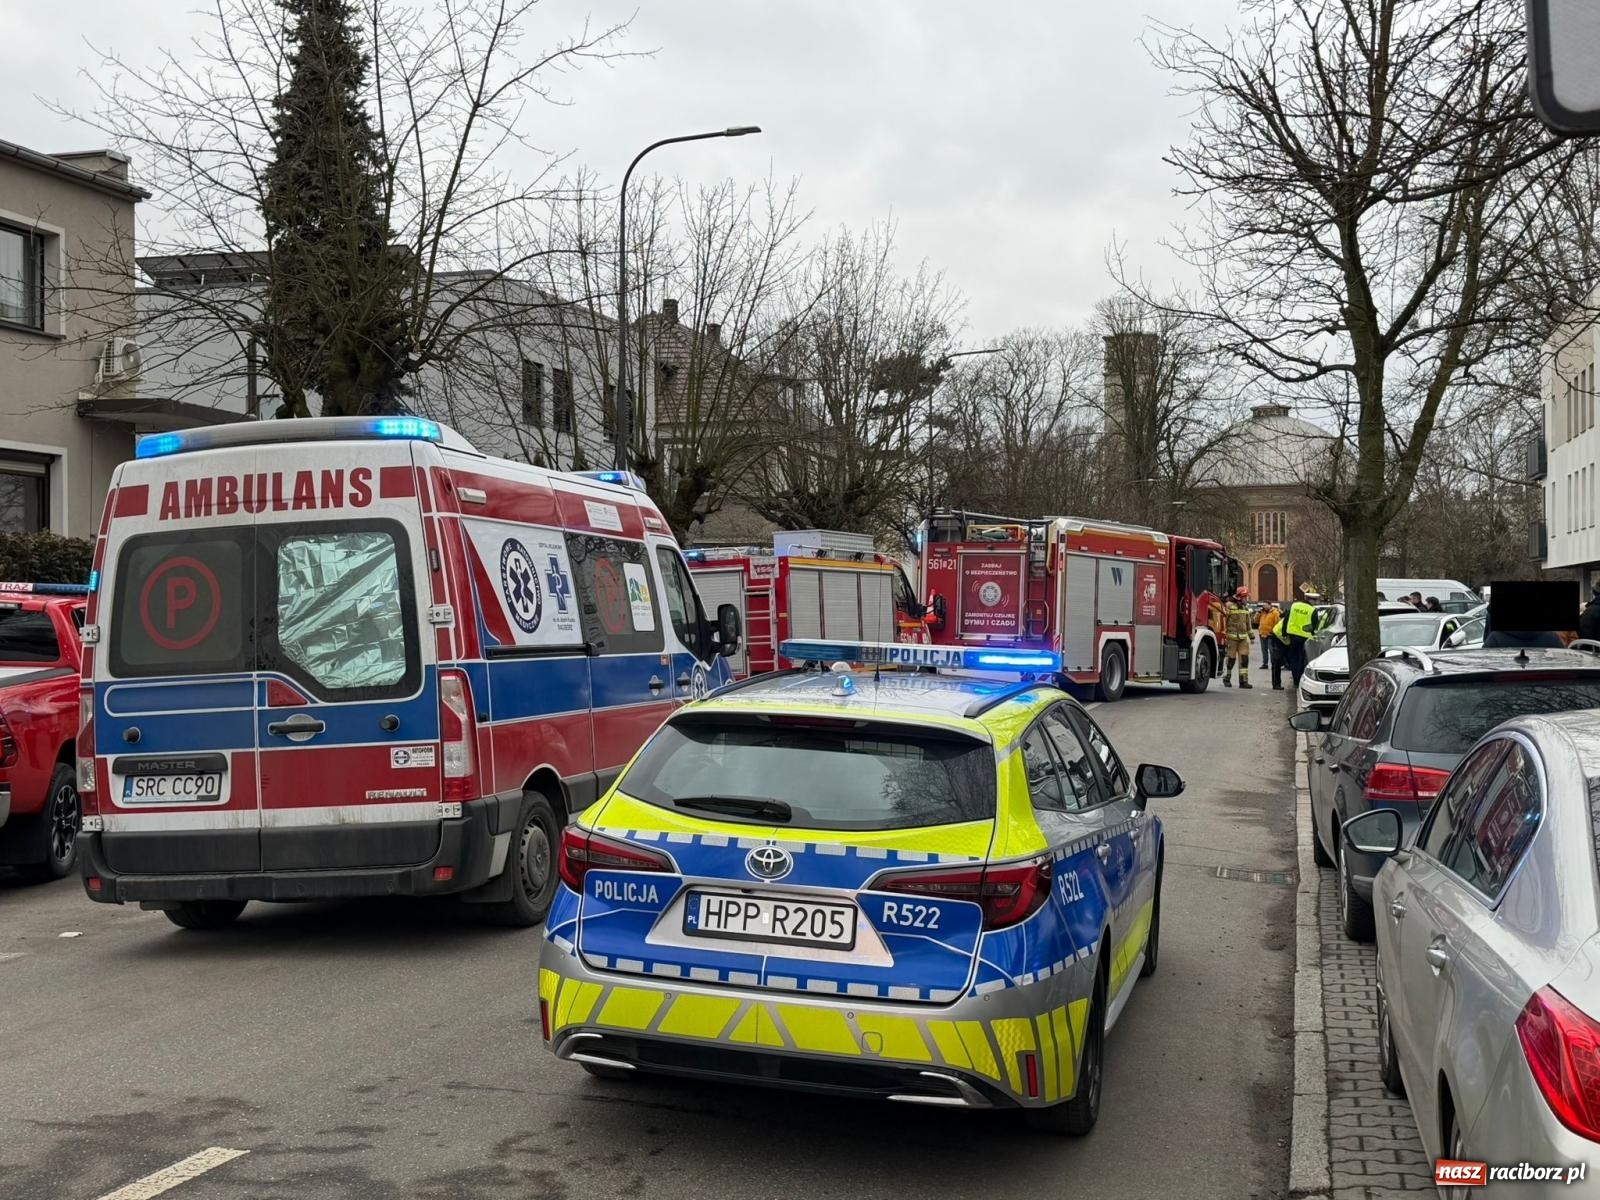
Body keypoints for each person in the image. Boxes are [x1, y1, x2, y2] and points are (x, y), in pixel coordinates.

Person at [1283, 584, 1317, 687]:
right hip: (1305, 638)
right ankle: (1300, 680)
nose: (1316, 602)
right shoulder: (1312, 610)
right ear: (1311, 600)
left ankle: (1295, 680)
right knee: (1302, 659)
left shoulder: (1294, 606)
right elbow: (1314, 625)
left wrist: (1284, 633)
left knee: (1294, 659)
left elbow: (1286, 619)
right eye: (1315, 600)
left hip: (1293, 636)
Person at [1220, 586, 1254, 688]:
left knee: (1244, 659)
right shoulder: (1229, 606)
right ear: (1240, 597)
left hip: (1243, 639)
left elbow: (1248, 623)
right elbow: (1223, 621)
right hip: (1231, 638)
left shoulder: (1245, 608)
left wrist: (1251, 636)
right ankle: (1227, 678)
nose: (1246, 599)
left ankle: (1243, 681)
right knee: (1231, 659)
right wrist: (1223, 635)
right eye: (1245, 597)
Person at [1257, 601, 1279, 668]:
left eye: (1266, 605)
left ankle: (1273, 663)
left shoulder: (1275, 613)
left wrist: (1274, 632)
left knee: (1271, 650)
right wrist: (1258, 613)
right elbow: (1255, 621)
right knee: (1264, 650)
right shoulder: (1262, 613)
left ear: (1270, 605)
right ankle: (1265, 663)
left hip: (1270, 634)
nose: (1264, 607)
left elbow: (1277, 623)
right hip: (1262, 633)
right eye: (1263, 605)